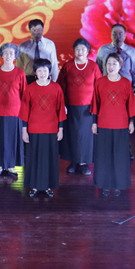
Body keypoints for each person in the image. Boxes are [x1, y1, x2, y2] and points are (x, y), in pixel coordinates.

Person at [92, 52, 135, 197]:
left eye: (114, 63)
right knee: (104, 156)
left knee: (119, 157)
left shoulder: (125, 83)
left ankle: (118, 185)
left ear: (120, 66)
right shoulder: (100, 82)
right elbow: (95, 104)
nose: (111, 66)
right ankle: (105, 185)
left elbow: (131, 104)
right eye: (109, 63)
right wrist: (94, 123)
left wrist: (131, 122)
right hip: (103, 124)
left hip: (121, 125)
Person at [20, 59, 66, 197]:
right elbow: (25, 110)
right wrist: (24, 130)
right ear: (35, 72)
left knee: (50, 159)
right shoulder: (30, 88)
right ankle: (35, 187)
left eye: (45, 70)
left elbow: (60, 110)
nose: (42, 73)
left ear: (49, 71)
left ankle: (47, 187)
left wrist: (60, 129)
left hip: (51, 128)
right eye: (39, 70)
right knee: (34, 158)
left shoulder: (56, 88)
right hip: (34, 129)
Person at [57, 38, 101, 175]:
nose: (80, 52)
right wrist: (62, 105)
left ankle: (84, 163)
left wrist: (97, 106)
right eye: (77, 49)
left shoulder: (93, 66)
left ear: (88, 51)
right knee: (72, 134)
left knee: (86, 136)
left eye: (83, 49)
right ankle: (73, 161)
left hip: (88, 108)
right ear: (74, 51)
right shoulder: (68, 66)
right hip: (70, 107)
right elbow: (60, 87)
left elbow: (99, 87)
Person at [0, 43, 27, 179]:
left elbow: (24, 94)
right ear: (1, 55)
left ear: (15, 56)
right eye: (6, 53)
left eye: (11, 53)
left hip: (15, 113)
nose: (8, 55)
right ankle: (0, 166)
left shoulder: (20, 73)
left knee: (12, 140)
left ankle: (11, 166)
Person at [16, 19, 59, 83]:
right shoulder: (23, 46)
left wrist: (54, 80)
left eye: (39, 29)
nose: (37, 32)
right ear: (29, 30)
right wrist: (20, 81)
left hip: (45, 78)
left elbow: (54, 64)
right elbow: (19, 66)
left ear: (43, 29)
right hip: (29, 79)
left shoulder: (50, 44)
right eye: (34, 30)